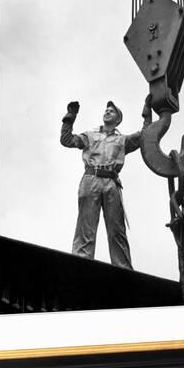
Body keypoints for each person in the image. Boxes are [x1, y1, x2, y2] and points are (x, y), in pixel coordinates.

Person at [60, 97, 152, 269]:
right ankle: (80, 264)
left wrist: (147, 111)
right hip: (90, 179)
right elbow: (66, 140)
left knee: (117, 230)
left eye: (112, 110)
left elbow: (145, 135)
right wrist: (70, 116)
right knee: (85, 227)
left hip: (111, 183)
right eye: (106, 110)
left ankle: (123, 270)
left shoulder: (122, 140)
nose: (108, 111)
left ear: (118, 119)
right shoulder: (90, 135)